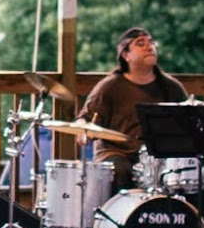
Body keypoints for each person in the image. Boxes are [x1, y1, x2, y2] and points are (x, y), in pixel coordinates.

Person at [81, 27, 188, 190]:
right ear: (126, 55)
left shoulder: (171, 87)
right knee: (120, 170)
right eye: (140, 43)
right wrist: (82, 129)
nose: (149, 46)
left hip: (158, 157)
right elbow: (86, 118)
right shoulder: (109, 87)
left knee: (188, 172)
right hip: (117, 154)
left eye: (151, 42)